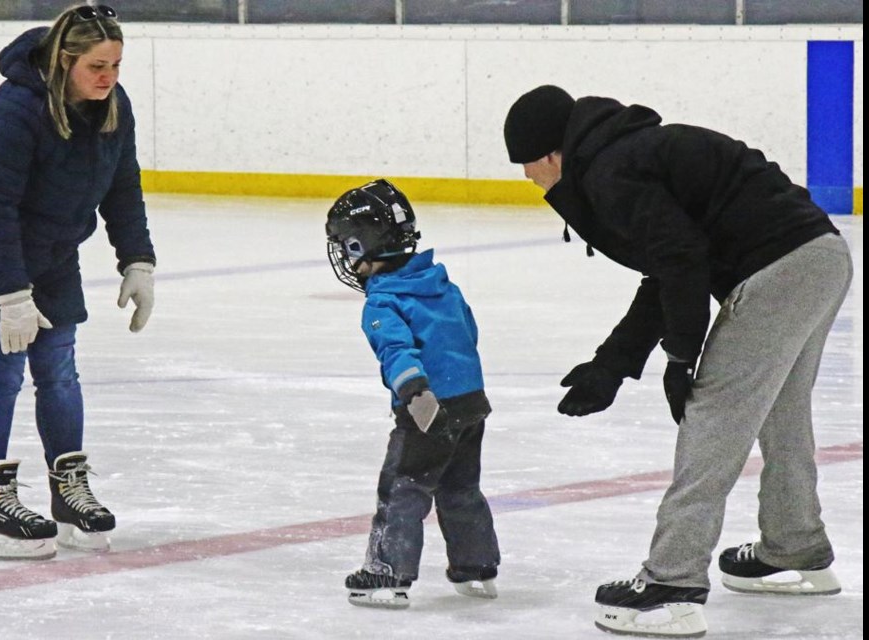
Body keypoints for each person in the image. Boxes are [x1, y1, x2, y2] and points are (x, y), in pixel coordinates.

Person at [504, 86, 851, 637]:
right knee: (782, 409)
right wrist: (612, 363)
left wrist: (681, 356)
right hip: (820, 257)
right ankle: (795, 547)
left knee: (713, 417)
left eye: (525, 164)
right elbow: (666, 269)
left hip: (779, 268)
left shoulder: (610, 172)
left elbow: (680, 259)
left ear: (550, 155)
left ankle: (672, 584)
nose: (526, 177)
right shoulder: (624, 154)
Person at [0, 4, 156, 560]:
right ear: (64, 59)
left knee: (58, 369)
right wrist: (10, 296)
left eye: (117, 65)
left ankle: (67, 491)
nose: (108, 77)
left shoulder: (113, 107)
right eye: (97, 66)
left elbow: (122, 185)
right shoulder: (15, 108)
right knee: (3, 371)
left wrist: (138, 260)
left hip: (52, 253)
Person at [325, 179, 501, 609]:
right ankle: (476, 569)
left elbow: (397, 352)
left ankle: (388, 573)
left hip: (427, 406)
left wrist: (418, 397)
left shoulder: (383, 302)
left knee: (404, 487)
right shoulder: (442, 284)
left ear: (359, 247)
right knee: (461, 488)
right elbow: (468, 333)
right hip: (472, 402)